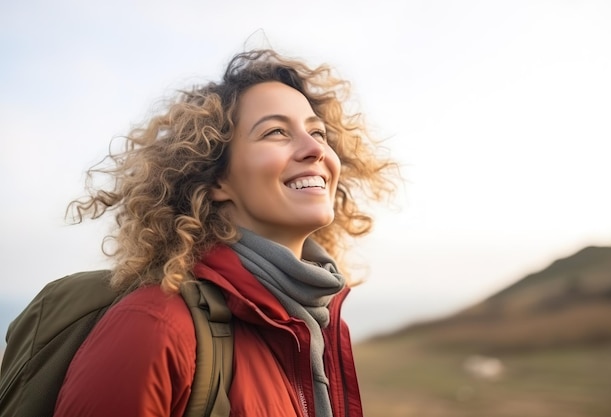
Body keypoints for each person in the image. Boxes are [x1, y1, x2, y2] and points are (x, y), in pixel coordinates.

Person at [53, 48, 398, 417]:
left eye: (318, 132)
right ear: (217, 179)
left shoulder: (318, 325)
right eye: (276, 132)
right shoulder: (155, 327)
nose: (315, 149)